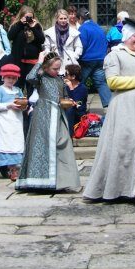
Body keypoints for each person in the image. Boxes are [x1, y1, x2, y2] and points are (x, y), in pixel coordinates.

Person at [84, 19, 135, 202]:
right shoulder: (115, 56)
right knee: (124, 147)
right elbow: (113, 81)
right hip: (125, 108)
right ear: (126, 36)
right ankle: (119, 188)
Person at [16, 52, 81, 192]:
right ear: (46, 68)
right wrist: (38, 62)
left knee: (62, 142)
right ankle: (39, 180)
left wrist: (69, 101)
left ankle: (62, 180)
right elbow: (29, 77)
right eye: (54, 69)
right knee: (42, 144)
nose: (57, 71)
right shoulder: (40, 78)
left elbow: (64, 96)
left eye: (59, 69)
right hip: (43, 114)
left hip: (58, 114)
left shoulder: (59, 80)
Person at [0, 63, 26, 182]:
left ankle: (17, 166)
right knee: (6, 142)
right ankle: (11, 168)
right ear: (3, 77)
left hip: (16, 120)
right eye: (8, 77)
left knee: (17, 141)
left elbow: (23, 102)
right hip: (3, 121)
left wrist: (23, 107)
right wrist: (9, 105)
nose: (11, 80)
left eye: (13, 78)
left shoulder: (18, 90)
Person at [76, 8, 112, 109]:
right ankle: (110, 107)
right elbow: (105, 43)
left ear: (80, 18)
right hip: (100, 60)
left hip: (87, 60)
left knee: (79, 82)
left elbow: (82, 45)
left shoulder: (83, 28)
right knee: (101, 83)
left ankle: (79, 106)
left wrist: (78, 59)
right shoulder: (98, 27)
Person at [7, 5, 45, 93]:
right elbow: (10, 36)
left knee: (31, 87)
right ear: (21, 16)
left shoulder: (36, 26)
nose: (28, 19)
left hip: (32, 62)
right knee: (17, 86)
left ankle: (30, 105)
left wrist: (33, 27)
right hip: (19, 61)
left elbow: (42, 40)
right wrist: (20, 23)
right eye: (26, 17)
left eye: (30, 17)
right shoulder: (17, 25)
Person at [63, 63, 88, 135]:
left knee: (70, 109)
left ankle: (69, 134)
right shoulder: (65, 87)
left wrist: (71, 88)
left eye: (66, 74)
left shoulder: (82, 88)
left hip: (78, 114)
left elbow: (77, 104)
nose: (65, 76)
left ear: (73, 76)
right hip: (68, 113)